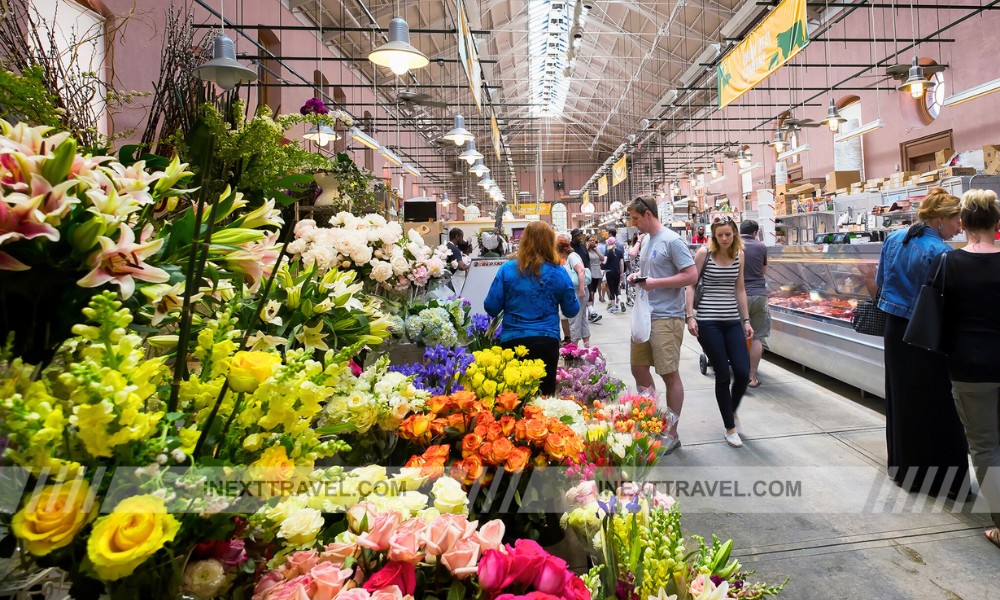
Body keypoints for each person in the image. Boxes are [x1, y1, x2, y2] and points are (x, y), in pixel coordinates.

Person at [877, 186, 970, 497]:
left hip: (894, 330)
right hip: (928, 333)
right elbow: (948, 301)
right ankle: (945, 482)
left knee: (902, 400)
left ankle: (905, 472)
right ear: (940, 220)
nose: (960, 226)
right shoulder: (941, 253)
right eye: (957, 219)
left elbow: (880, 284)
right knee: (939, 405)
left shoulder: (893, 239)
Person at [934, 189, 1000, 548]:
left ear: (962, 223)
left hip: (969, 366)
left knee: (985, 446)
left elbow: (938, 316)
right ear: (997, 223)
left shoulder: (949, 263)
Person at [626, 197, 698, 453]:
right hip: (645, 315)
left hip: (667, 317)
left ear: (647, 214)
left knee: (669, 374)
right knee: (638, 369)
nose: (633, 224)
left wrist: (654, 283)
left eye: (635, 218)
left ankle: (672, 432)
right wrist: (638, 278)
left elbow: (691, 275)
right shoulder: (646, 241)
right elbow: (653, 274)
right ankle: (651, 421)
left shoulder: (671, 240)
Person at [484, 221, 579, 395]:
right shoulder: (559, 272)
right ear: (551, 243)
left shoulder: (507, 270)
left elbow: (490, 307)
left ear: (524, 241)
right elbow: (571, 310)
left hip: (513, 341)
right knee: (544, 399)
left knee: (515, 400)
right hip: (546, 341)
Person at [685, 218, 753, 448]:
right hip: (707, 321)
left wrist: (746, 320)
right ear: (714, 236)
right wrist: (690, 316)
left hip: (732, 320)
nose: (724, 239)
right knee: (723, 374)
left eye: (728, 234)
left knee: (743, 372)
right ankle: (730, 427)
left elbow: (740, 288)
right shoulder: (704, 254)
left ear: (735, 234)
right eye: (720, 235)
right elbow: (691, 285)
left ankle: (730, 409)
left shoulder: (739, 255)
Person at [739, 220, 770, 388]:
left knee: (736, 334)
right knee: (756, 336)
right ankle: (752, 378)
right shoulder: (761, 246)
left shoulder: (734, 246)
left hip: (738, 295)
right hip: (759, 294)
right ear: (754, 232)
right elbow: (764, 271)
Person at [558, 235, 591, 347]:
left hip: (578, 291)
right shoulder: (570, 257)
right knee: (581, 319)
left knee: (574, 320)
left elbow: (581, 270)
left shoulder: (572, 257)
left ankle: (573, 348)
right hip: (578, 291)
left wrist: (581, 289)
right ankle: (587, 345)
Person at [571, 229, 600, 323]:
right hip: (574, 276)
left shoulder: (583, 247)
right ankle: (588, 312)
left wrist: (589, 273)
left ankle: (591, 312)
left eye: (580, 235)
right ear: (573, 236)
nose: (580, 237)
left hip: (586, 274)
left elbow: (587, 260)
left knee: (589, 293)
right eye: (578, 235)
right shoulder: (570, 247)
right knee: (579, 296)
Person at [603, 236, 625, 313]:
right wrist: (621, 273)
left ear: (608, 243)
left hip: (609, 272)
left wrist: (602, 265)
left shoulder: (607, 251)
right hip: (617, 272)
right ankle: (621, 301)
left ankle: (613, 307)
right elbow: (622, 264)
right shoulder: (619, 252)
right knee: (616, 288)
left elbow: (605, 261)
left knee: (611, 289)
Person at [587, 238, 604, 319]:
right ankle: (591, 312)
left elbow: (602, 259)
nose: (592, 242)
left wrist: (596, 250)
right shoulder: (586, 251)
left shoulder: (597, 250)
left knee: (593, 292)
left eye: (593, 240)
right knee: (591, 293)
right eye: (590, 240)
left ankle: (591, 311)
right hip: (589, 272)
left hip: (597, 272)